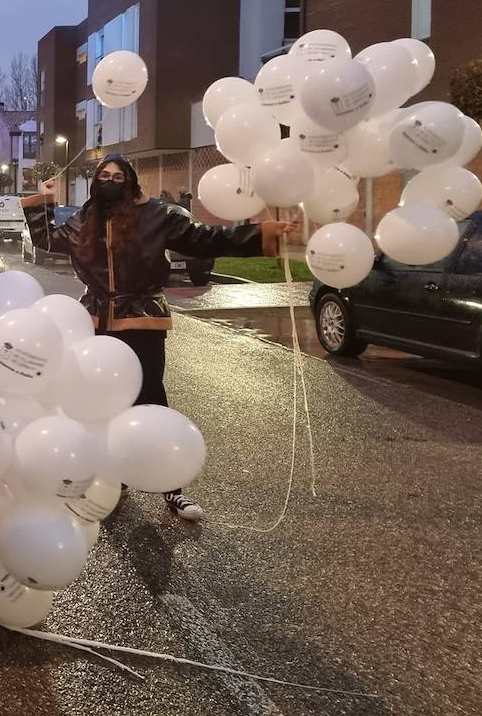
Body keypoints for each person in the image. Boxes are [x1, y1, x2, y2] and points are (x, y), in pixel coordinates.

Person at [20, 153, 295, 522]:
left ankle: (171, 486)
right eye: (104, 175)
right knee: (100, 404)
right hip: (96, 322)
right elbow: (47, 239)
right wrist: (43, 200)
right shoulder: (84, 219)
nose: (110, 180)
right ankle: (112, 478)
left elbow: (205, 240)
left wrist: (262, 234)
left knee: (150, 399)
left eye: (118, 176)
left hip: (142, 321)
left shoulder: (158, 215)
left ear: (131, 181)